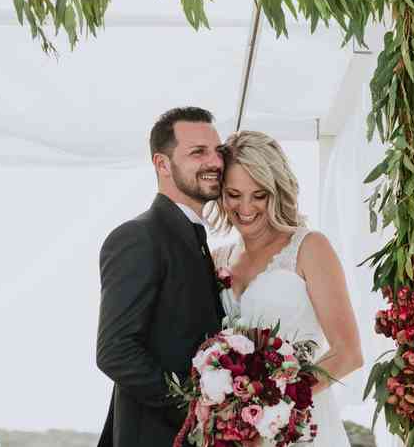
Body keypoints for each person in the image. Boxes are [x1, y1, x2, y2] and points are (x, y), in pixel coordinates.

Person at [209, 130, 363, 446]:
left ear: (277, 191)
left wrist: (272, 404)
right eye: (234, 194)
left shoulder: (310, 247)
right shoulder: (216, 259)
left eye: (259, 195)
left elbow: (348, 354)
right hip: (239, 433)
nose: (245, 207)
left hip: (303, 424)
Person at [96, 107, 226, 447]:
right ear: (162, 164)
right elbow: (115, 351)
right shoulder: (138, 237)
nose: (215, 162)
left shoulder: (197, 241)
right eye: (198, 152)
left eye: (217, 150)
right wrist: (195, 409)